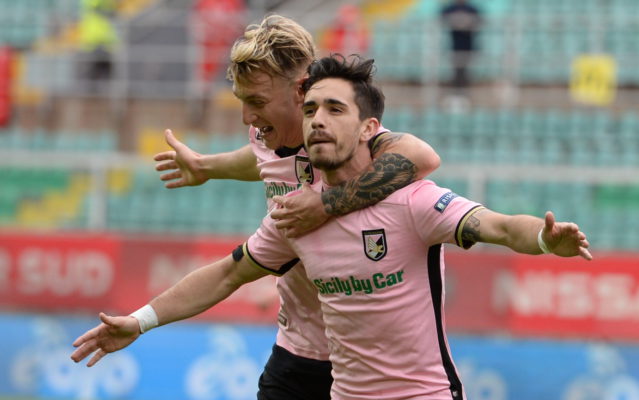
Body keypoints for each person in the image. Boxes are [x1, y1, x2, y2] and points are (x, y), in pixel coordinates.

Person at [71, 54, 592, 400]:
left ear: (369, 129)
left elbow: (499, 226)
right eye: (311, 108)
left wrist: (545, 239)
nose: (318, 118)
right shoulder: (296, 215)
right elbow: (226, 274)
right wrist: (139, 321)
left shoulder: (411, 200)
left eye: (335, 109)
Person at [90, 15, 440, 400]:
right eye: (243, 101)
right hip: (298, 351)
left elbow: (421, 155)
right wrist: (208, 167)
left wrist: (327, 204)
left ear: (301, 90)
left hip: (371, 364)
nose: (247, 117)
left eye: (257, 102)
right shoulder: (264, 135)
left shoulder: (344, 140)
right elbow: (263, 162)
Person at [440, 0, 482, 107]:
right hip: (455, 47)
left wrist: (466, 22)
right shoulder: (451, 8)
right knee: (457, 71)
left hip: (468, 47)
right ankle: (456, 94)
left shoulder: (471, 9)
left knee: (465, 72)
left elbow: (479, 21)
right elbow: (442, 17)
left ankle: (464, 95)